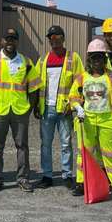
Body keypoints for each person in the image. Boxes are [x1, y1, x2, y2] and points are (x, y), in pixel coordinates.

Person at [0, 27, 40, 193]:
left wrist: (29, 109)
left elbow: (34, 88)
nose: (10, 42)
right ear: (1, 41)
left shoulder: (26, 62)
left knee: (22, 146)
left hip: (20, 111)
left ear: (17, 41)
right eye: (7, 38)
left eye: (13, 38)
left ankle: (23, 178)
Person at [69, 37, 112, 197]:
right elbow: (72, 96)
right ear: (89, 59)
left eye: (100, 57)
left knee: (111, 154)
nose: (97, 61)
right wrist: (78, 108)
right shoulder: (82, 77)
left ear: (105, 58)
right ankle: (81, 183)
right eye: (94, 57)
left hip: (108, 119)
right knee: (84, 153)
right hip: (86, 121)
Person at [33, 25, 84, 189]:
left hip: (65, 109)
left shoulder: (73, 58)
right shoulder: (42, 60)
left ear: (63, 37)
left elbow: (80, 83)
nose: (53, 39)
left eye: (56, 36)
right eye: (50, 37)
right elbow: (35, 84)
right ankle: (47, 175)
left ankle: (67, 175)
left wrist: (74, 104)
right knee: (45, 144)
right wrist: (35, 105)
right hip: (46, 109)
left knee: (65, 144)